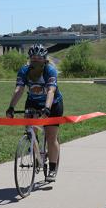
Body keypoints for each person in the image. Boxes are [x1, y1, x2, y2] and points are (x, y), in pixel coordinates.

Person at [6, 43, 63, 182]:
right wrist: (11, 107)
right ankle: (36, 153)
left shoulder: (50, 70)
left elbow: (51, 91)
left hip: (53, 104)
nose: (35, 60)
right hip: (32, 102)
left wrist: (47, 108)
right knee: (30, 131)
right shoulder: (24, 70)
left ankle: (53, 168)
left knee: (51, 137)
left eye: (38, 58)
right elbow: (19, 89)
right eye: (33, 58)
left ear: (44, 59)